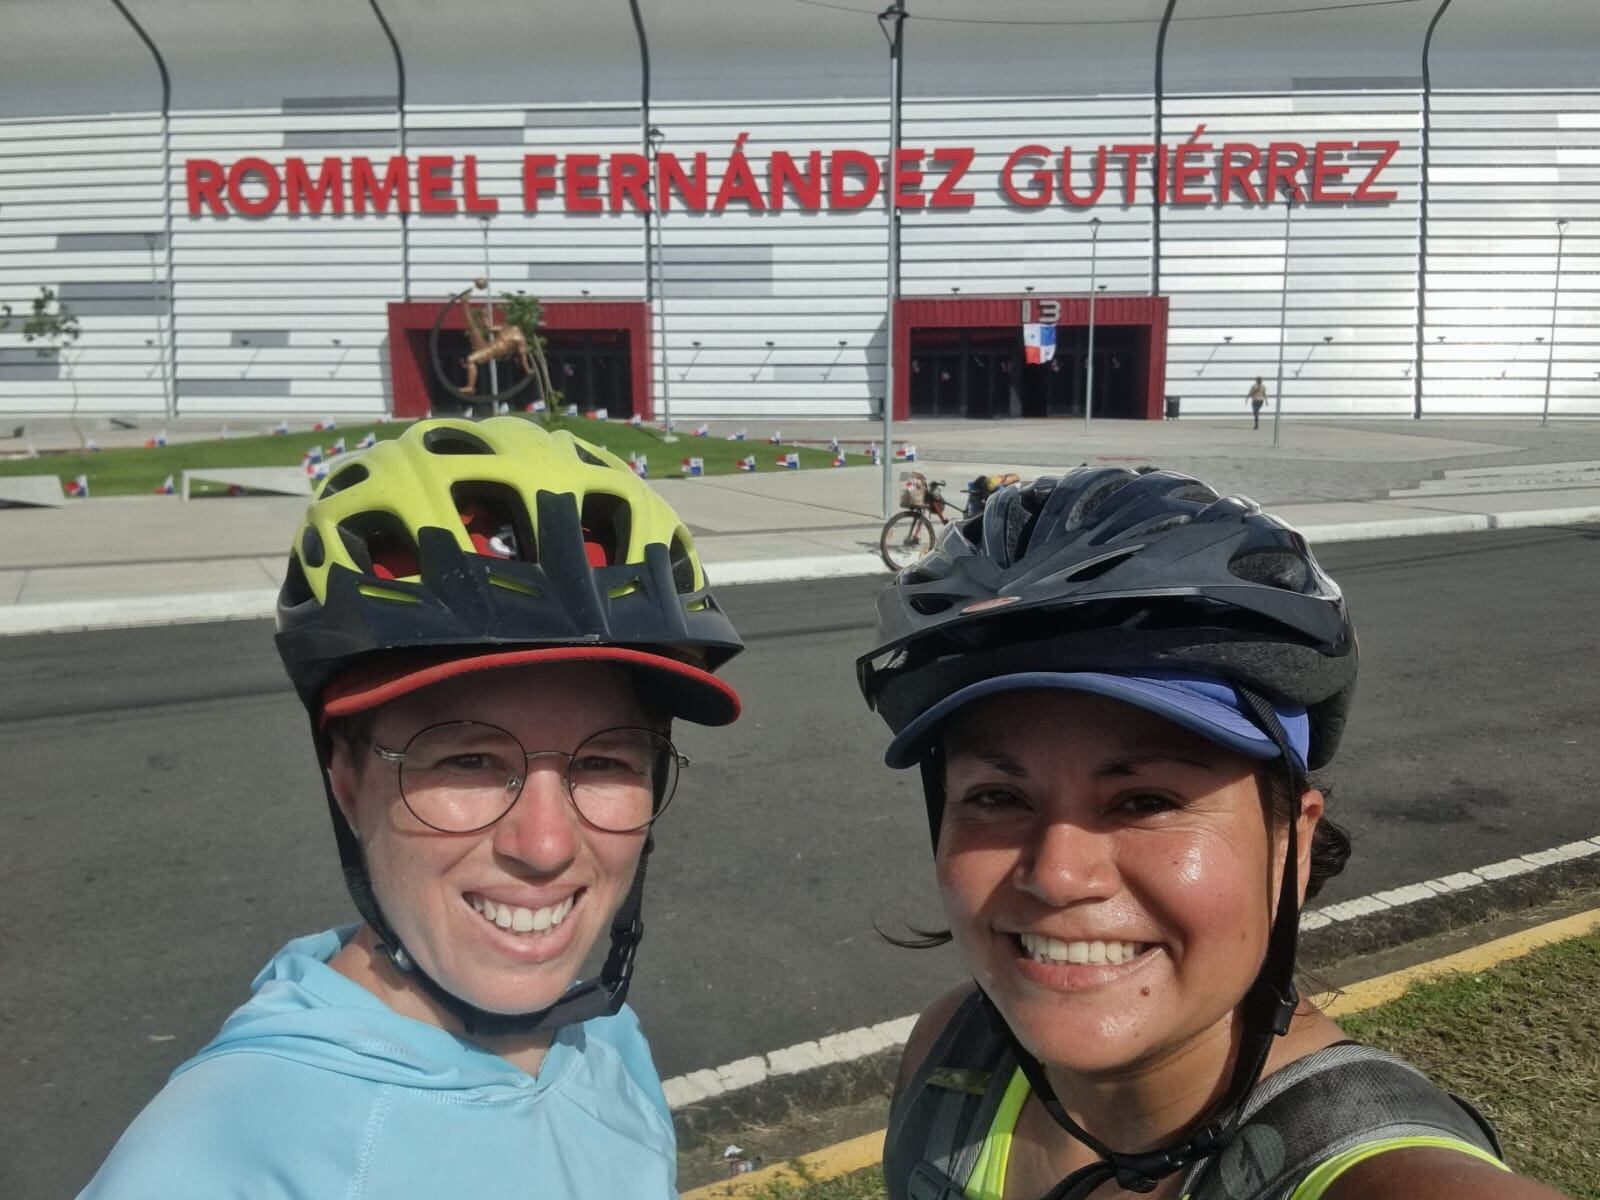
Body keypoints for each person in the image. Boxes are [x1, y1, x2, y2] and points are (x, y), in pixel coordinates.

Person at [857, 467, 1567, 1200]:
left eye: (1145, 801)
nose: (1057, 874)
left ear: (1292, 845)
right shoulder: (952, 1048)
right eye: (999, 796)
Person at [81, 417, 744, 1198]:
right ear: (346, 780)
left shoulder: (602, 1037)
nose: (545, 846)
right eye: (469, 759)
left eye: (605, 761)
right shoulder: (218, 1161)